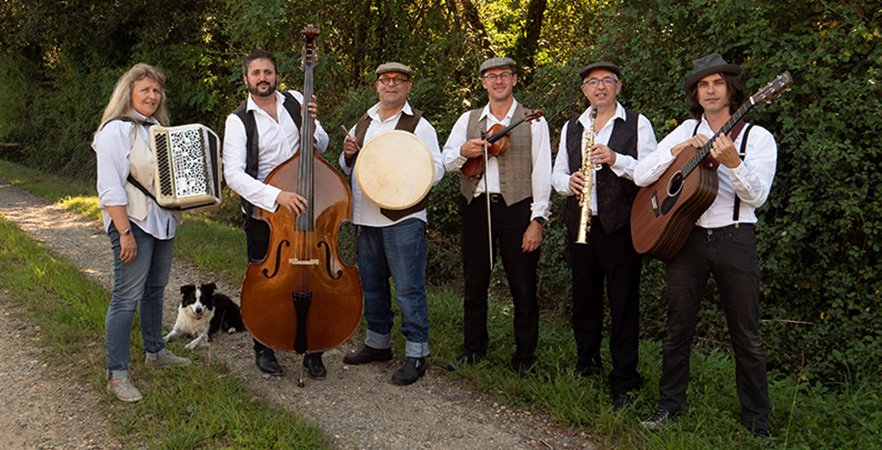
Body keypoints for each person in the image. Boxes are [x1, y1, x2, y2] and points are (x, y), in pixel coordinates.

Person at [634, 52, 776, 437]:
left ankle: (757, 423)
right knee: (677, 328)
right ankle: (668, 407)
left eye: (717, 83)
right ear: (696, 94)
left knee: (746, 334)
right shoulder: (685, 130)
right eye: (703, 85)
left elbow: (757, 197)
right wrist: (677, 151)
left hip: (735, 237)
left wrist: (733, 163)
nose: (710, 90)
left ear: (731, 90)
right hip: (688, 239)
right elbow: (641, 175)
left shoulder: (757, 137)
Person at [551, 61, 657, 407]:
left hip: (621, 227)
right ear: (584, 90)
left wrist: (616, 159)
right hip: (582, 225)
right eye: (592, 82)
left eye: (607, 81)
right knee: (585, 300)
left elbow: (651, 172)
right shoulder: (573, 126)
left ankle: (624, 378)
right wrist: (568, 182)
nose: (599, 87)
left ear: (618, 86)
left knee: (624, 303)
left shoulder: (638, 123)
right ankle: (587, 365)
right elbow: (556, 174)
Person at [222, 49, 329, 379]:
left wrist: (312, 125)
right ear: (246, 79)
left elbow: (322, 144)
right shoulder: (238, 120)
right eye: (256, 73)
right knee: (266, 284)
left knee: (314, 276)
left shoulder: (296, 100)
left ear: (276, 75)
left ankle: (314, 348)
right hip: (266, 211)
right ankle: (264, 346)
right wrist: (277, 196)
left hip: (307, 203)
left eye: (267, 72)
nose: (263, 78)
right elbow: (233, 175)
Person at [442, 57, 552, 374]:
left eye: (504, 75)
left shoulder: (533, 121)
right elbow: (445, 161)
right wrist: (463, 152)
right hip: (477, 207)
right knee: (475, 283)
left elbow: (542, 172)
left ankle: (524, 359)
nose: (498, 80)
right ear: (483, 83)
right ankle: (473, 349)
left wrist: (537, 219)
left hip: (518, 208)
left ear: (514, 79)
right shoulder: (468, 119)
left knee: (523, 286)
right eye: (492, 76)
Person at [338, 62, 445, 385]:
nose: (391, 84)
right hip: (365, 218)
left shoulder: (419, 125)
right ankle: (378, 343)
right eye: (385, 79)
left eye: (399, 80)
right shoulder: (365, 120)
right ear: (377, 85)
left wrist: (403, 173)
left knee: (408, 289)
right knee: (372, 285)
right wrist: (348, 154)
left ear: (408, 86)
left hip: (404, 219)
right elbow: (347, 167)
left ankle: (417, 353)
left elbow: (437, 169)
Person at [93, 63, 191, 403]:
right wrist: (124, 232)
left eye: (156, 91)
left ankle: (155, 351)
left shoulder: (159, 130)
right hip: (132, 222)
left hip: (162, 222)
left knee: (155, 289)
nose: (152, 96)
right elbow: (110, 189)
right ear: (129, 94)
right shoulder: (115, 131)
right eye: (145, 90)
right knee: (126, 296)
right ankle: (117, 374)